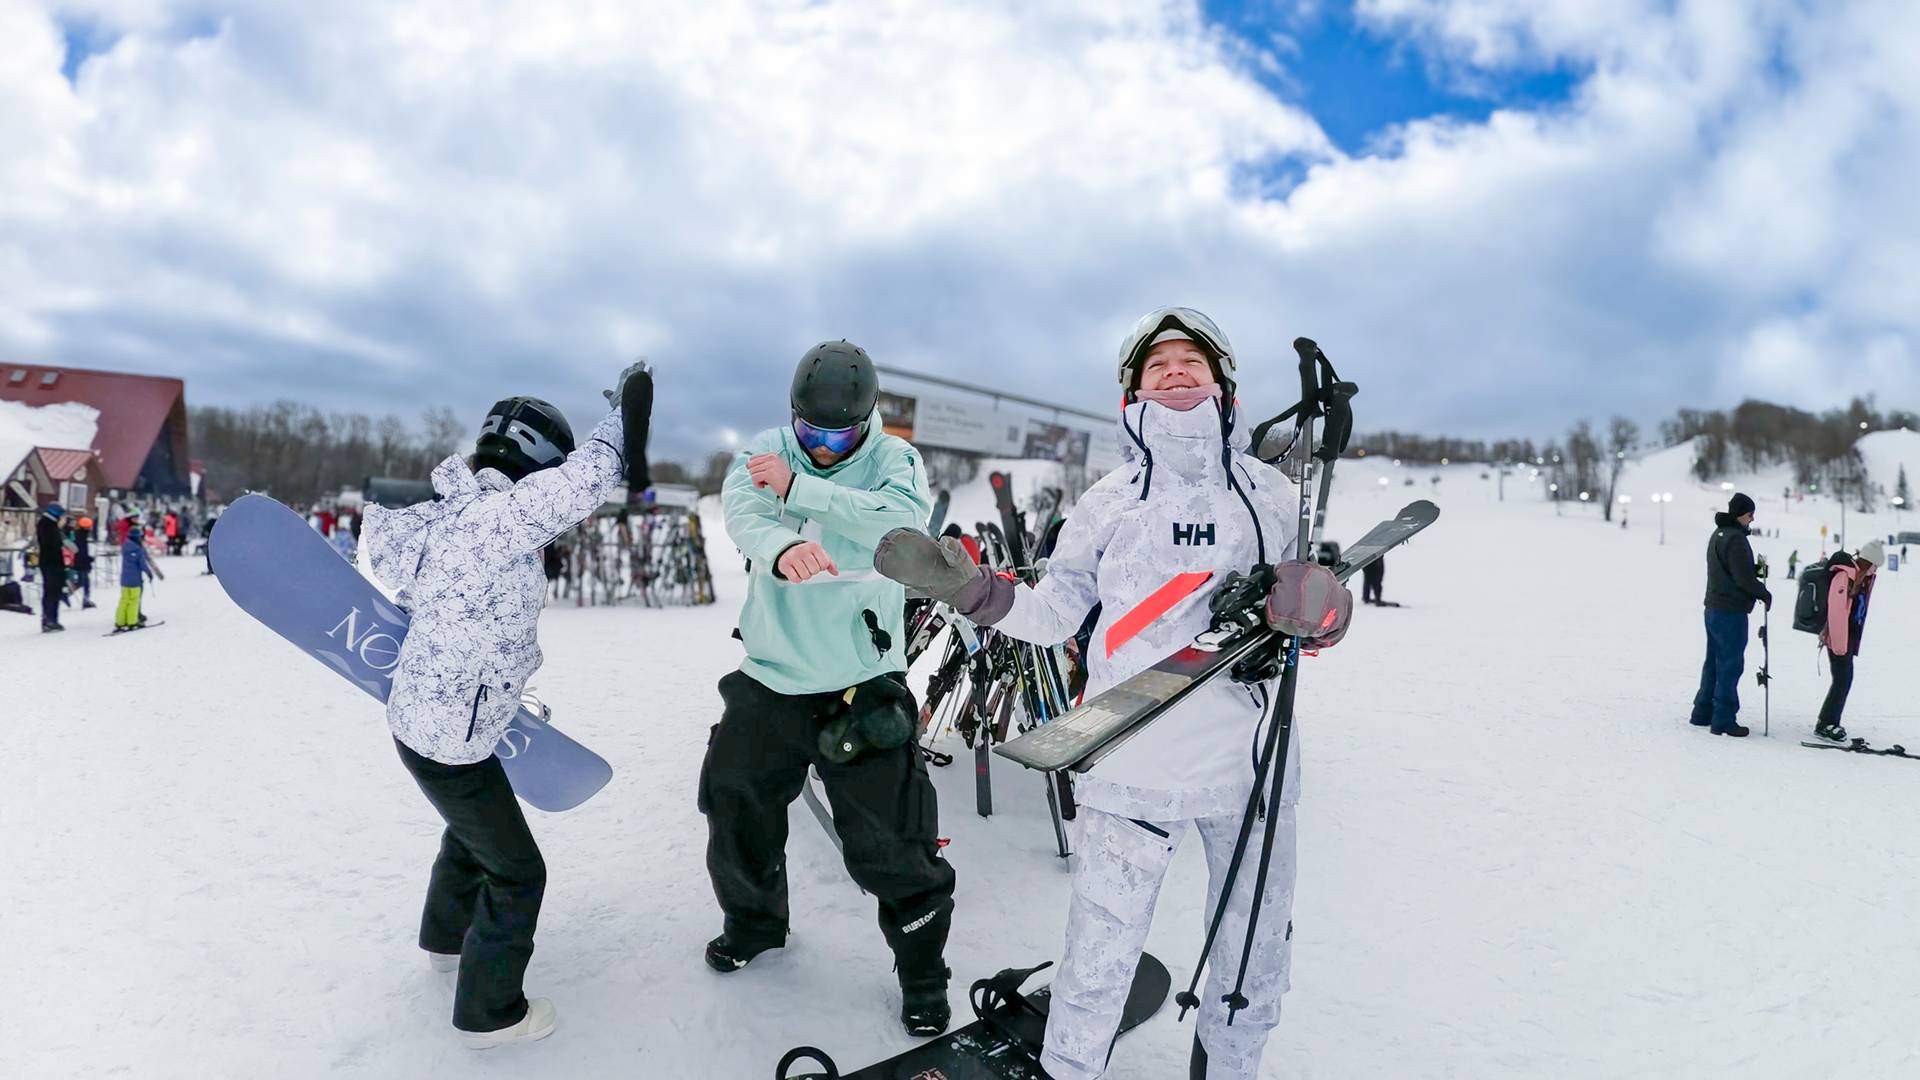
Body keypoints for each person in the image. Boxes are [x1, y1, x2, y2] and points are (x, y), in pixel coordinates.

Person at [876, 307, 1354, 1080]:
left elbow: (1314, 614)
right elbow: (1056, 609)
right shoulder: (1109, 500)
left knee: (1255, 954)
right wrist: (974, 592)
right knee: (1099, 955)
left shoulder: (1269, 494)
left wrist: (1324, 610)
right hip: (1130, 755)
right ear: (1131, 390)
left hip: (1253, 763)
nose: (1173, 374)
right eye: (1155, 366)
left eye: (1189, 363)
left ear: (1221, 382)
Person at [359, 364, 646, 1050]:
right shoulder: (500, 518)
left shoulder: (449, 516)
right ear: (536, 462)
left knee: (470, 834)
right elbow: (585, 482)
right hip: (453, 740)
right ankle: (491, 1013)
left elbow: (412, 572)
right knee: (518, 872)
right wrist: (622, 421)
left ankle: (445, 938)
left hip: (428, 728)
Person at [702, 340, 955, 1037]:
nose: (819, 444)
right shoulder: (766, 448)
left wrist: (800, 491)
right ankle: (754, 922)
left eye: (837, 434)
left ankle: (924, 976)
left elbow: (897, 522)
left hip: (860, 679)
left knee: (892, 842)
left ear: (866, 420)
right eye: (809, 432)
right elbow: (744, 510)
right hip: (771, 677)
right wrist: (781, 545)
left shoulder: (894, 460)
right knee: (735, 808)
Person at [1689, 493, 1771, 737]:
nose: (1752, 518)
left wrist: (1754, 570)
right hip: (1730, 611)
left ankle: (1702, 712)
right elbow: (1742, 578)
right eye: (1750, 514)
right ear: (1740, 514)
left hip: (1714, 607)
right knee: (1730, 664)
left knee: (1714, 662)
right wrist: (1763, 592)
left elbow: (1730, 569)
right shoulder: (1735, 538)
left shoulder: (1719, 534)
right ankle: (1723, 719)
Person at [1814, 540, 1884, 742]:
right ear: (1867, 561)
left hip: (1846, 639)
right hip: (1838, 639)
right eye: (1874, 565)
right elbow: (1836, 612)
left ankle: (1829, 721)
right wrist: (1838, 644)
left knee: (1844, 679)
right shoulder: (1844, 576)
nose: (1875, 570)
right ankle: (1826, 723)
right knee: (1842, 679)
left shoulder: (1858, 577)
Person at [114, 524, 162, 631]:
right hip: (135, 581)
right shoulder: (138, 549)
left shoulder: (125, 547)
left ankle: (120, 622)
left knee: (124, 600)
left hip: (124, 580)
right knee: (134, 601)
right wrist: (149, 573)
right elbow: (142, 565)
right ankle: (132, 621)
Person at [35, 503, 68, 633]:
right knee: (52, 591)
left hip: (49, 562)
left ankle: (50, 618)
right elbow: (53, 544)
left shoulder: (46, 524)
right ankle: (49, 619)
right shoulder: (48, 525)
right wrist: (61, 540)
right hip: (52, 563)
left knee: (51, 591)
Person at [70, 516, 96, 609]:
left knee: (82, 582)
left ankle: (67, 593)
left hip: (80, 562)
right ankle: (85, 599)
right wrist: (89, 559)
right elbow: (82, 552)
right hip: (82, 563)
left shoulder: (79, 535)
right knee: (84, 582)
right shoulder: (82, 537)